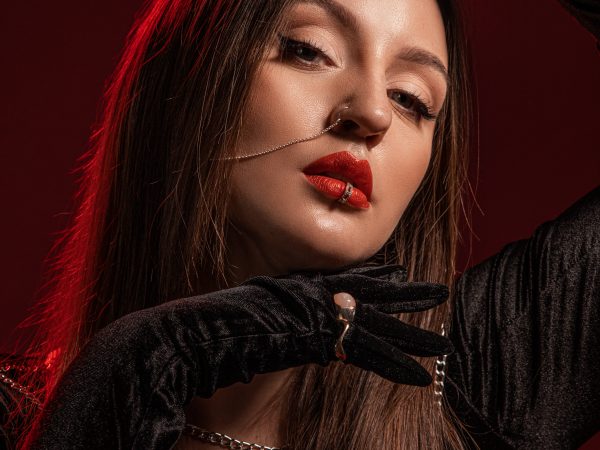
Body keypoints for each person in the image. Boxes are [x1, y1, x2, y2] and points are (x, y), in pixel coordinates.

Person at [1, 0, 598, 449]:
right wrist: (138, 365)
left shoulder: (471, 378)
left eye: (411, 98)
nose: (373, 113)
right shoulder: (16, 414)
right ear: (189, 78)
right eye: (308, 51)